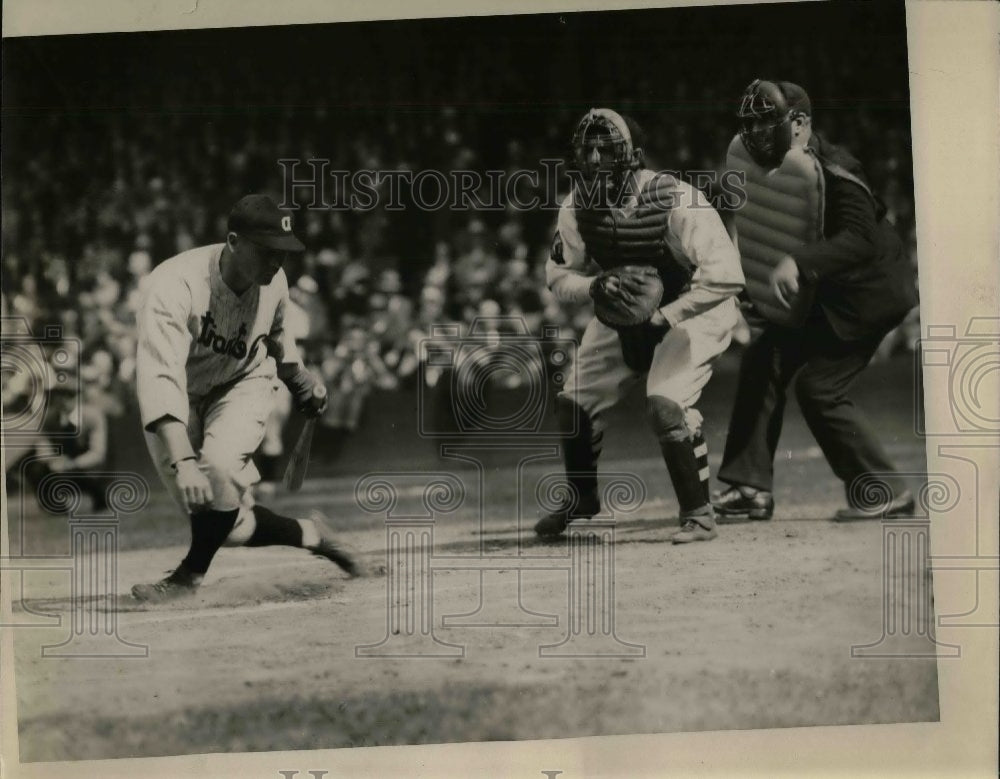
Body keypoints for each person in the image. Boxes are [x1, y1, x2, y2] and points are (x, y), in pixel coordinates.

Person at [131, 194, 359, 604]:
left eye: (283, 253)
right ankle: (313, 535)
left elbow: (275, 338)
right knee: (226, 524)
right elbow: (159, 376)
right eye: (267, 250)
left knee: (217, 470)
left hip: (242, 382)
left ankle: (187, 577)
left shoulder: (275, 281)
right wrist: (183, 461)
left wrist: (300, 380)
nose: (277, 261)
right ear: (234, 241)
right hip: (180, 393)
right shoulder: (172, 285)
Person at [712, 79, 917, 522]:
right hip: (833, 291)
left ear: (800, 123)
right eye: (752, 125)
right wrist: (757, 288)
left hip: (870, 294)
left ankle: (885, 491)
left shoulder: (835, 169)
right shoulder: (766, 170)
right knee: (764, 356)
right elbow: (771, 236)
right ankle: (750, 487)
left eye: (769, 124)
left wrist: (800, 263)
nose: (758, 135)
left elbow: (860, 239)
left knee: (819, 388)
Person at [536, 108, 744, 543]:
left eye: (605, 149)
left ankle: (699, 513)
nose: (594, 159)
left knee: (666, 404)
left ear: (634, 155)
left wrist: (667, 315)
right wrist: (595, 285)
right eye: (587, 149)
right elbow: (557, 276)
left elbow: (727, 275)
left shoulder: (676, 198)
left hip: (695, 306)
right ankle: (581, 497)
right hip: (628, 310)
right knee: (573, 403)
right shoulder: (576, 205)